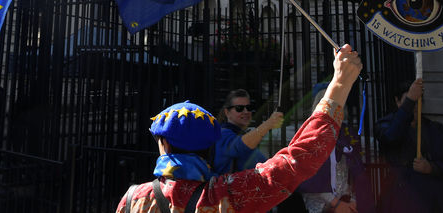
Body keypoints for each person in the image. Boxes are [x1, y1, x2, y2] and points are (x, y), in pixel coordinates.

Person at [116, 44, 362, 213]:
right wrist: (340, 83)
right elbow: (298, 159)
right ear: (210, 146)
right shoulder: (229, 194)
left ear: (164, 144)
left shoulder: (132, 200)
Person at [375, 78, 443, 213]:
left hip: (438, 202)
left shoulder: (436, 129)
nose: (413, 106)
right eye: (408, 101)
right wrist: (409, 102)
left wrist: (433, 168)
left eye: (417, 101)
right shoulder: (384, 125)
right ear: (397, 101)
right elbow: (391, 137)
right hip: (402, 201)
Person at [297, 86, 373, 213]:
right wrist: (336, 203)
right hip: (321, 205)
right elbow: (308, 180)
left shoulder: (347, 134)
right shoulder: (310, 135)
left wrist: (353, 199)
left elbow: (356, 172)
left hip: (346, 202)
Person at [213, 89, 284, 173]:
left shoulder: (242, 135)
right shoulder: (222, 134)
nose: (246, 112)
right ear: (227, 112)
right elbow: (239, 147)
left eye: (249, 107)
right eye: (239, 108)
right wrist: (267, 125)